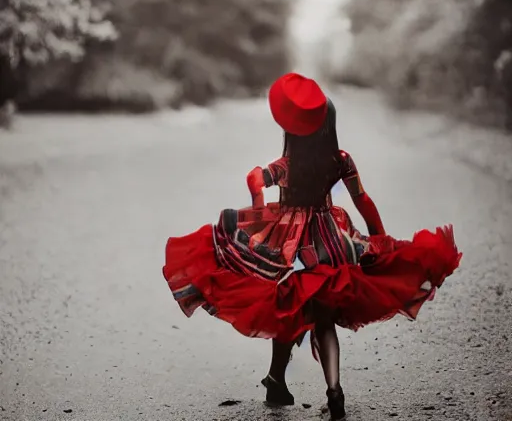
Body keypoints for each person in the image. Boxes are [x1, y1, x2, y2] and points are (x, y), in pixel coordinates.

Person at [162, 73, 462, 420]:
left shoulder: (285, 166)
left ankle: (279, 380)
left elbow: (254, 178)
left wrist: (259, 207)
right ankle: (327, 390)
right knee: (321, 317)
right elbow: (362, 200)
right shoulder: (341, 160)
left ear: (292, 132)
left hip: (295, 248)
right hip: (332, 242)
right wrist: (378, 238)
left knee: (289, 309)